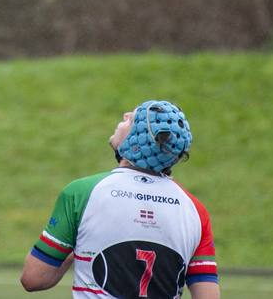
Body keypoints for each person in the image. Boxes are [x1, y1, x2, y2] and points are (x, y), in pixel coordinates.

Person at [21, 100, 219, 298]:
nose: (125, 115)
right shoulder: (195, 210)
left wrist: (77, 245)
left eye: (131, 119)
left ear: (136, 142)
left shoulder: (82, 193)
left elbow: (34, 278)